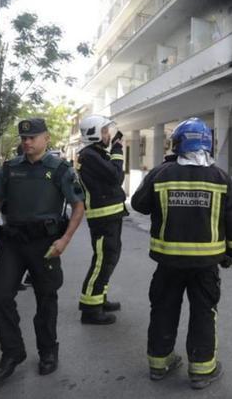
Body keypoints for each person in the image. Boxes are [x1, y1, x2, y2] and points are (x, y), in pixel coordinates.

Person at [131, 117, 232, 390]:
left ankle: (159, 364)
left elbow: (138, 205)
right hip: (206, 265)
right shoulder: (221, 178)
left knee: (163, 310)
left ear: (177, 144)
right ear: (207, 144)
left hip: (168, 262)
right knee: (204, 313)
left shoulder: (161, 174)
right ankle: (202, 370)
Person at [0, 118, 85, 382]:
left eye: (32, 137)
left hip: (44, 245)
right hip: (13, 243)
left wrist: (65, 241)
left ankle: (48, 351)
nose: (26, 142)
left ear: (46, 138)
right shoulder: (10, 168)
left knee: (46, 298)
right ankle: (13, 352)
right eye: (23, 138)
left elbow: (79, 206)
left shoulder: (60, 169)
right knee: (0, 297)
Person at [76, 115, 128, 325]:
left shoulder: (95, 154)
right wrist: (117, 151)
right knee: (102, 261)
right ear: (96, 133)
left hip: (110, 214)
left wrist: (112, 151)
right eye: (105, 131)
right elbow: (116, 176)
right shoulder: (89, 155)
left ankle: (99, 298)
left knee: (108, 260)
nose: (108, 135)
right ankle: (90, 309)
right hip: (103, 217)